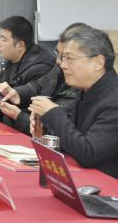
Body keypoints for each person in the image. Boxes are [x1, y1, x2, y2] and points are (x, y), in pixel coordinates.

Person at [29, 25, 118, 178]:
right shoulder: (86, 90)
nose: (62, 65)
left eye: (69, 58)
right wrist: (44, 126)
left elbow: (88, 154)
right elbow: (74, 140)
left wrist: (53, 114)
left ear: (98, 62)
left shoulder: (114, 100)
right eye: (62, 57)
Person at [0, 23, 85, 135]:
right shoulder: (60, 67)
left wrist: (18, 116)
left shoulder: (85, 89)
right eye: (58, 54)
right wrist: (17, 93)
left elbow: (55, 132)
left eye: (68, 57)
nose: (58, 61)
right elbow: (39, 85)